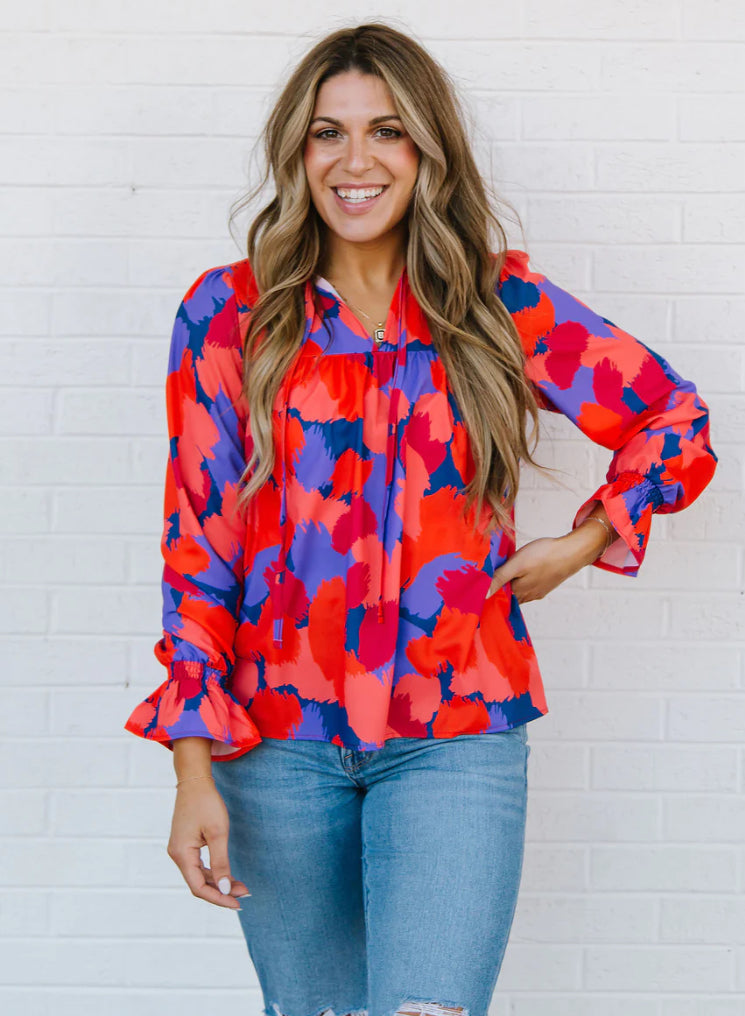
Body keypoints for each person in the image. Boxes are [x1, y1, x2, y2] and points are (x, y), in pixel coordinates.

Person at [124, 21, 718, 1016]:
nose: (355, 161)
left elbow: (673, 418)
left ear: (426, 151)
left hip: (455, 737)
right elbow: (200, 548)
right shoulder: (228, 316)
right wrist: (191, 767)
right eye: (328, 133)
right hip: (274, 748)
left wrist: (575, 548)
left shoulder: (496, 304)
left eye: (387, 131)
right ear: (296, 152)